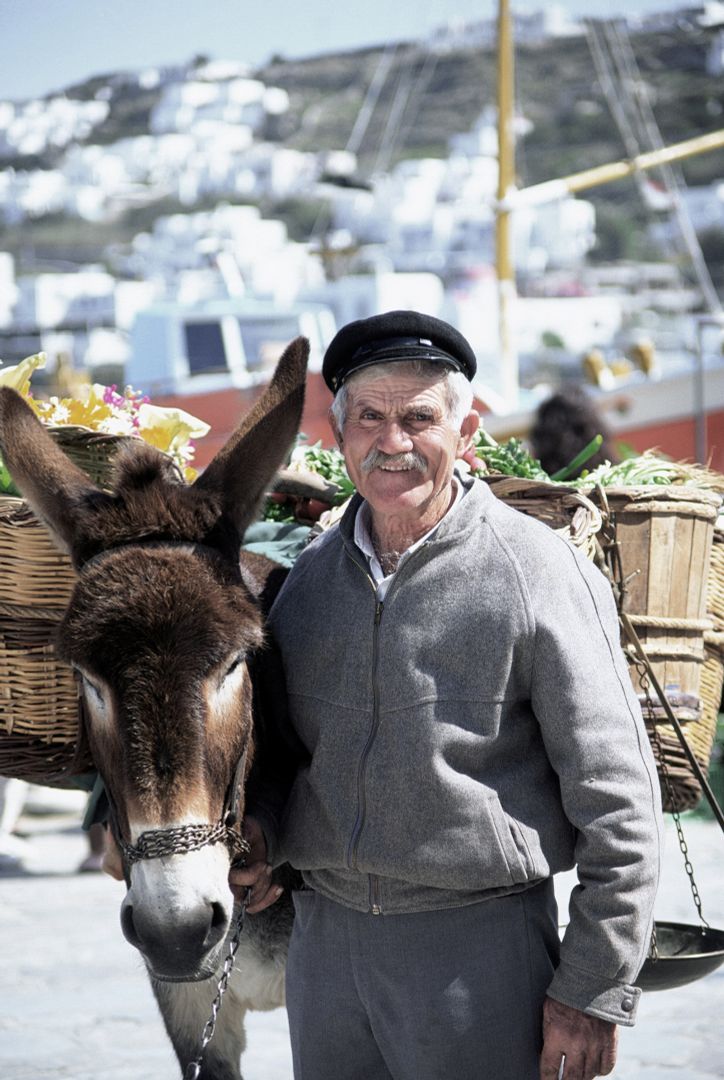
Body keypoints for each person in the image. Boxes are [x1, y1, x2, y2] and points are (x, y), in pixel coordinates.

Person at [234, 309, 662, 1080]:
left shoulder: (535, 572)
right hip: (327, 958)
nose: (392, 442)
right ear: (340, 436)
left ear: (465, 435)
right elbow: (288, 760)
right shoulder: (308, 585)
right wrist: (264, 834)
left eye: (419, 418)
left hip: (479, 953)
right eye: (369, 416)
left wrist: (595, 987)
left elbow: (619, 798)